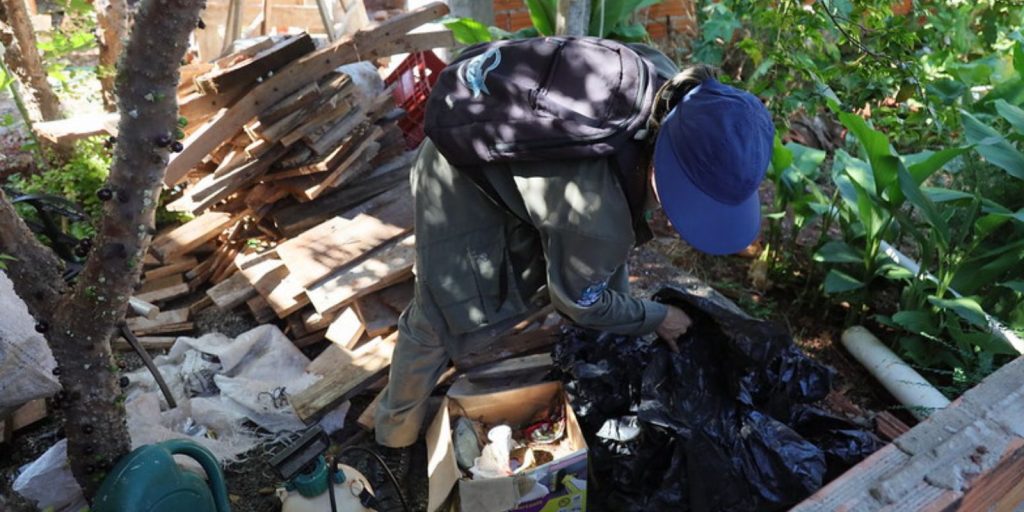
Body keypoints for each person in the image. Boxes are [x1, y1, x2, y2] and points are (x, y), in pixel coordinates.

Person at [367, 39, 774, 508]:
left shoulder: (673, 90)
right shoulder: (596, 220)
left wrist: (624, 303)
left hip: (521, 153)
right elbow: (579, 300)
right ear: (661, 158)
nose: (678, 220)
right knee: (437, 315)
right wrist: (656, 317)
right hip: (458, 173)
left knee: (571, 257)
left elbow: (615, 222)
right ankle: (392, 439)